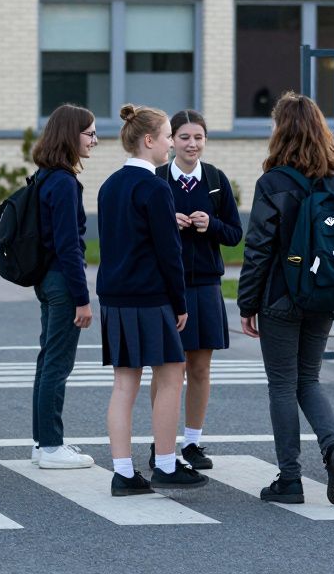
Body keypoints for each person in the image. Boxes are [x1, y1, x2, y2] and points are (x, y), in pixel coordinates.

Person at [237, 92, 334, 506]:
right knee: (309, 379)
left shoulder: (273, 183)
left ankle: (290, 477)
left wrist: (246, 304)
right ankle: (333, 447)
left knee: (283, 386)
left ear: (281, 131)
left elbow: (258, 249)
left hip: (280, 298)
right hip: (324, 295)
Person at [99, 104, 206, 495]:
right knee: (171, 374)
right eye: (166, 136)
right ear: (149, 141)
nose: (169, 143)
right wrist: (180, 303)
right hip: (149, 296)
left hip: (114, 295)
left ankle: (123, 471)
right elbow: (169, 252)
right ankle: (164, 463)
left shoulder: (109, 185)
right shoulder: (156, 188)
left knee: (124, 384)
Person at [152, 109, 242, 472]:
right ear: (171, 140)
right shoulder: (157, 179)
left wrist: (211, 224)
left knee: (200, 368)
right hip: (165, 286)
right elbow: (140, 231)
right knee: (167, 369)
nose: (192, 144)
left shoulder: (217, 180)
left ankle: (192, 442)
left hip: (205, 284)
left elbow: (235, 234)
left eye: (198, 137)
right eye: (184, 137)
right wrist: (165, 224)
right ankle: (162, 444)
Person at [29, 103, 96, 470]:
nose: (95, 140)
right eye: (89, 133)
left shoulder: (44, 176)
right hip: (62, 282)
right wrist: (82, 300)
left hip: (45, 279)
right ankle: (52, 445)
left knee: (47, 360)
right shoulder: (64, 182)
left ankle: (43, 442)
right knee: (57, 363)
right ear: (71, 135)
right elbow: (70, 246)